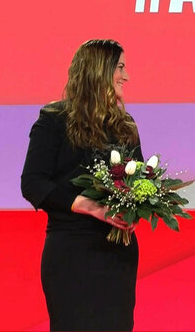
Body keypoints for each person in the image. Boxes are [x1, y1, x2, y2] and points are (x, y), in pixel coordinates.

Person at [21, 39, 143, 331]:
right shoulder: (54, 120)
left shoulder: (125, 125)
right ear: (99, 70)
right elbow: (33, 183)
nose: (126, 76)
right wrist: (90, 206)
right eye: (120, 67)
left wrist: (135, 208)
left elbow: (137, 181)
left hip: (118, 255)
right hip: (72, 252)